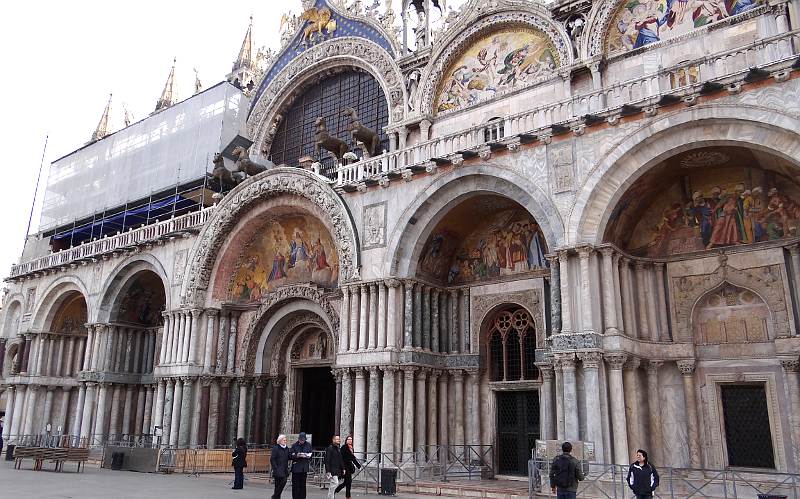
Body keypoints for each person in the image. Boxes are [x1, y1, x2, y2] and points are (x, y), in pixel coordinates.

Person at [290, 432, 313, 499]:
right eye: (301, 440)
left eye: (303, 440)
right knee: (296, 485)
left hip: (304, 468)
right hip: (296, 468)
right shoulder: (294, 445)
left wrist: (307, 456)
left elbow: (310, 454)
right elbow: (291, 455)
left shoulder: (308, 445)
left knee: (303, 485)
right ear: (299, 439)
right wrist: (297, 455)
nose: (302, 441)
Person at [271, 434, 291, 499]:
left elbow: (289, 457)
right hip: (278, 469)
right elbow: (272, 459)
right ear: (279, 441)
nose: (285, 441)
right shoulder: (276, 448)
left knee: (283, 482)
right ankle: (277, 497)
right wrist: (275, 468)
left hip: (284, 469)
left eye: (285, 440)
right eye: (284, 440)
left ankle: (275, 496)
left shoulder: (286, 448)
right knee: (277, 485)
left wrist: (296, 456)